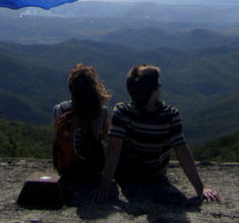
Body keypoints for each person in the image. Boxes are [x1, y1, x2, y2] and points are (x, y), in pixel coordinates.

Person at [92, 64, 219, 203]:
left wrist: (104, 187)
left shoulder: (122, 112)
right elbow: (182, 151)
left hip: (127, 175)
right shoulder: (170, 115)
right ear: (153, 92)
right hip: (155, 175)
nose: (160, 86)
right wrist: (200, 189)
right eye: (158, 84)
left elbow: (113, 150)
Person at [52, 63, 111, 184]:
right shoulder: (102, 111)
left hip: (66, 170)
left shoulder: (59, 109)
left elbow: (57, 135)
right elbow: (105, 136)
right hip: (92, 170)